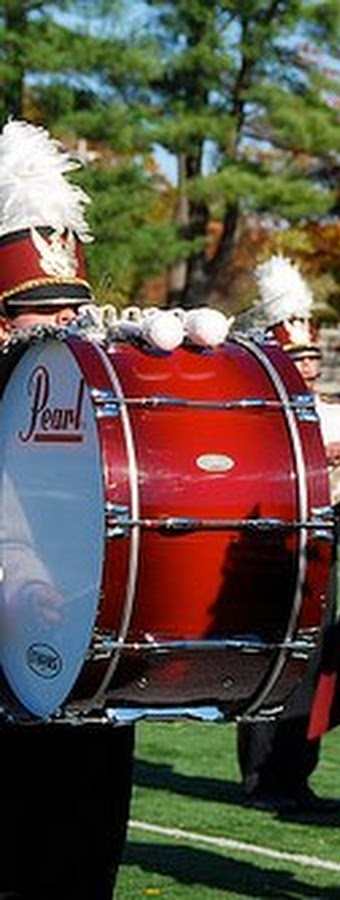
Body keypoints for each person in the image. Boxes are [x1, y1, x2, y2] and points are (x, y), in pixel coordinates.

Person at [0, 118, 135, 900]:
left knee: (81, 872)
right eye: (41, 311)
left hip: (87, 692)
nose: (65, 326)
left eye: (73, 309)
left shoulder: (101, 406)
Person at [233, 254, 340, 813]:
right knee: (273, 653)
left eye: (312, 357)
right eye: (297, 358)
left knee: (314, 655)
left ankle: (297, 774)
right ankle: (260, 776)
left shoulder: (337, 414)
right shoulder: (255, 414)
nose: (308, 367)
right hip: (273, 537)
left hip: (322, 538)